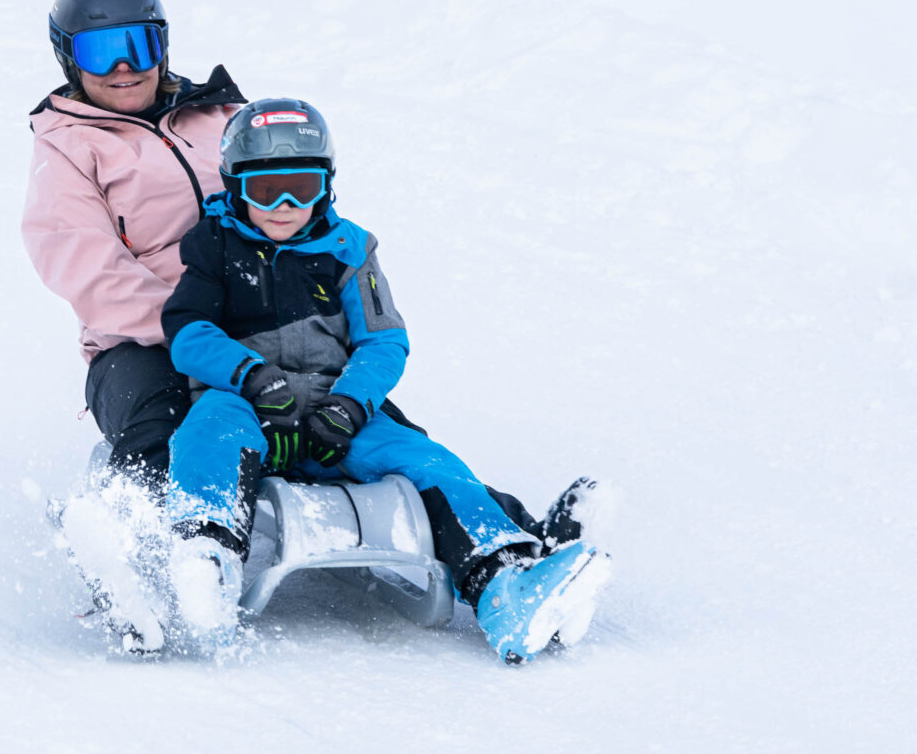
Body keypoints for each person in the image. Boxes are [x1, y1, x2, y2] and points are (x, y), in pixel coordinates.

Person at [158, 98, 612, 663]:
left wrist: (350, 404)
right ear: (234, 185)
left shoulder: (350, 249)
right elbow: (188, 331)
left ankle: (506, 586)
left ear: (326, 184)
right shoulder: (213, 245)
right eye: (264, 189)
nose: (283, 205)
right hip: (246, 403)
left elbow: (383, 340)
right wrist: (249, 376)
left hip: (334, 413)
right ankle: (207, 561)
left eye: (301, 186)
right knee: (208, 430)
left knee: (426, 460)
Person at [22, 0, 247, 481]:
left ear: (162, 47)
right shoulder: (66, 145)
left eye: (138, 46)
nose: (123, 66)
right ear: (69, 59)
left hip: (257, 322)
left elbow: (296, 206)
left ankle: (463, 539)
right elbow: (89, 269)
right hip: (141, 345)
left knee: (357, 420)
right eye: (100, 53)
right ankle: (157, 543)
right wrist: (191, 329)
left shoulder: (223, 115)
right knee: (164, 432)